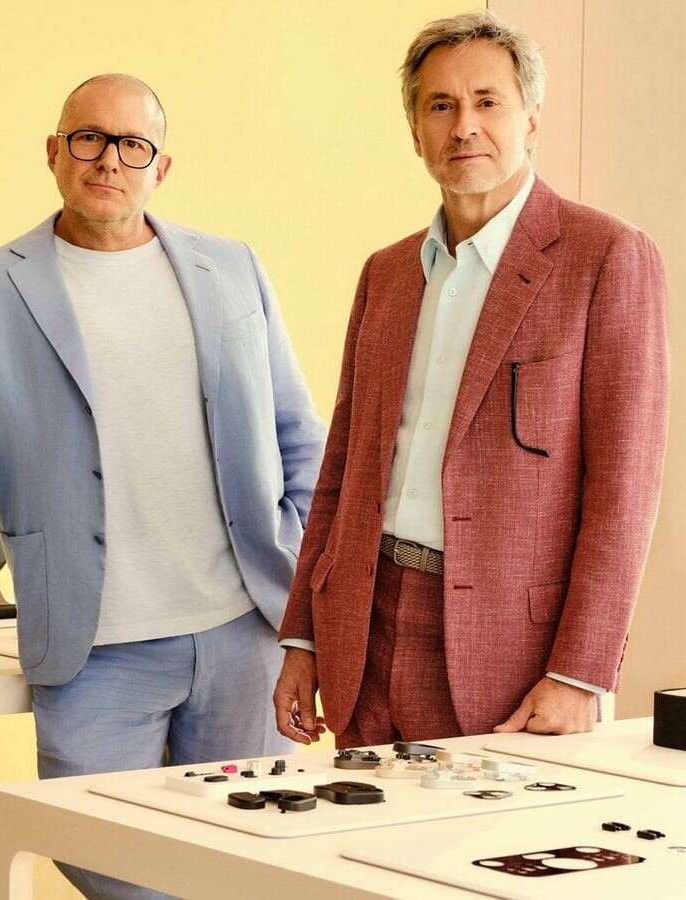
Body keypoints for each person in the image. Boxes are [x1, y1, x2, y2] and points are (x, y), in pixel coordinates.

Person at [0, 73, 325, 898]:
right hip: (94, 641)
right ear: (54, 152)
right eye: (90, 139)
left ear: (160, 167)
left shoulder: (232, 267)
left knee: (252, 851)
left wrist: (312, 605)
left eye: (133, 145)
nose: (109, 159)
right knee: (101, 851)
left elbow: (299, 438)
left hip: (243, 630)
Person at [273, 10, 669, 749]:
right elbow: (340, 472)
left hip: (510, 657)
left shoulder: (606, 257)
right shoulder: (386, 274)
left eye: (488, 101)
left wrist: (581, 673)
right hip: (363, 631)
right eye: (441, 105)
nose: (465, 127)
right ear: (415, 130)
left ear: (532, 118)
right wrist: (303, 637)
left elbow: (624, 489)